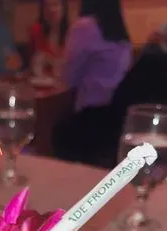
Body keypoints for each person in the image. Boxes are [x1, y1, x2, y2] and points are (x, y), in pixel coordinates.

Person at [52, 0, 131, 165]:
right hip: (117, 119)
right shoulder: (120, 31)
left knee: (51, 130)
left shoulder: (85, 27)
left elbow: (67, 77)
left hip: (90, 118)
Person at [29, 0, 68, 78]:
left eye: (55, 5)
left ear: (63, 8)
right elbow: (33, 64)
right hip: (43, 81)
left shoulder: (72, 33)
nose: (51, 9)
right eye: (46, 6)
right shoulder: (36, 31)